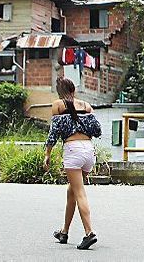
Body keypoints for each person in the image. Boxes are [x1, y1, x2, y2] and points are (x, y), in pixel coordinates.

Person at [45, 76, 102, 250]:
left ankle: (89, 233)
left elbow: (53, 133)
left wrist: (47, 154)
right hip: (88, 150)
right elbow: (97, 130)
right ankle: (64, 232)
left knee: (79, 192)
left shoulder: (57, 105)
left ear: (60, 92)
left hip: (73, 150)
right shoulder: (86, 106)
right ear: (73, 90)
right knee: (73, 190)